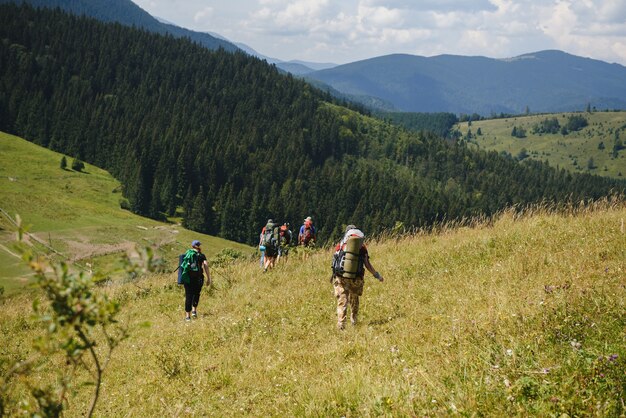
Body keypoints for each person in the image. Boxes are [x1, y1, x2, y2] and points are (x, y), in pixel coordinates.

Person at [331, 225, 383, 330]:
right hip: (356, 278)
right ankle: (354, 320)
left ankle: (341, 324)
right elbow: (367, 264)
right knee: (354, 299)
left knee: (342, 300)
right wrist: (376, 275)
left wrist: (334, 275)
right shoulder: (362, 247)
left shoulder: (341, 244)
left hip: (341, 276)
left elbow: (335, 260)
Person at [183, 240, 211, 322]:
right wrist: (209, 278)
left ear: (192, 246)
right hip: (198, 278)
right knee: (196, 294)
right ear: (199, 246)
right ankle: (194, 311)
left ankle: (187, 317)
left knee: (188, 296)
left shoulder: (187, 254)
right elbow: (206, 265)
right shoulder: (202, 255)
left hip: (188, 279)